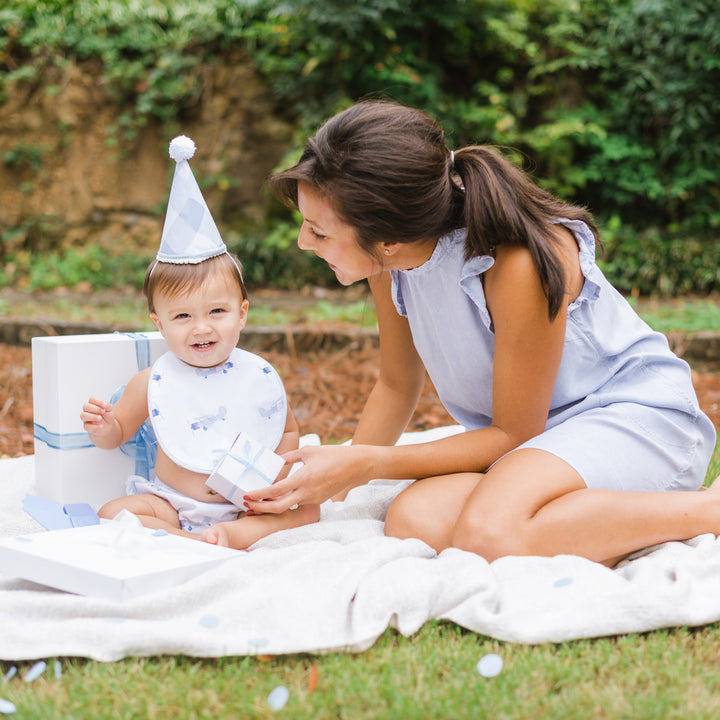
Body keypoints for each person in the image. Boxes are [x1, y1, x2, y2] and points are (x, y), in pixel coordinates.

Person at [242, 99, 717, 567]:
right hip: (541, 442)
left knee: (489, 533)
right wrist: (332, 493)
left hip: (633, 420)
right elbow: (396, 385)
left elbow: (512, 432)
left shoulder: (516, 263)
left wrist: (366, 463)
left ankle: (706, 510)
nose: (304, 242)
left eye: (319, 232)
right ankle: (565, 519)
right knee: (415, 517)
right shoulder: (389, 263)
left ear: (388, 238)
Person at [80, 136, 318, 548]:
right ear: (159, 323)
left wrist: (269, 479)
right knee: (111, 512)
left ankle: (229, 531)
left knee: (309, 510)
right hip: (170, 501)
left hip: (246, 501)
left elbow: (285, 431)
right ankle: (189, 537)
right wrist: (103, 426)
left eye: (217, 312)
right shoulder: (153, 380)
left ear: (242, 313)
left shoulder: (257, 374)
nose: (201, 328)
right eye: (183, 316)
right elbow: (118, 433)